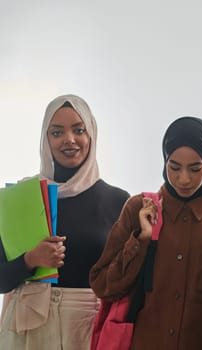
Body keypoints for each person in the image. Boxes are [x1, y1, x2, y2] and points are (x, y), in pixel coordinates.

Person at [90, 116, 202, 349]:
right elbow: (102, 285)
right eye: (174, 167)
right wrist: (140, 241)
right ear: (164, 161)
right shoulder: (137, 208)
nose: (184, 179)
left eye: (195, 168)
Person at [0, 94, 129, 349]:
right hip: (28, 328)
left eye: (78, 130)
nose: (69, 139)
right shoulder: (23, 198)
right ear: (45, 140)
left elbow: (126, 280)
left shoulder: (118, 201)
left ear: (91, 134)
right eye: (57, 132)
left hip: (88, 326)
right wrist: (30, 261)